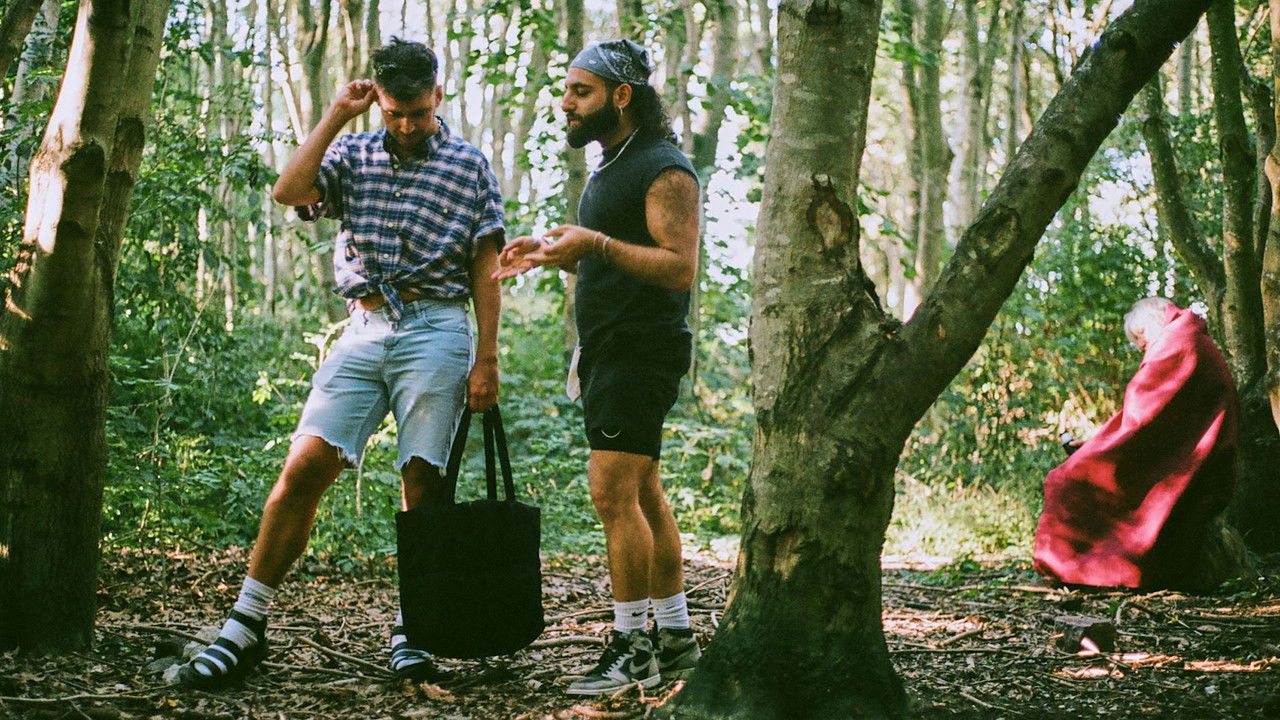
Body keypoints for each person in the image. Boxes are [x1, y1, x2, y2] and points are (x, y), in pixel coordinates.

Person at [177, 38, 505, 689]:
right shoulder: (352, 154)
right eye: (394, 113)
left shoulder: (470, 164)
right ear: (379, 102)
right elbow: (288, 191)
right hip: (364, 329)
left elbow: (485, 263)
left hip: (437, 326)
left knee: (423, 480)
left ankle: (415, 628)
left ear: (438, 96)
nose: (407, 125)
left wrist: (487, 356)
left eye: (418, 112)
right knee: (305, 466)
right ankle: (244, 626)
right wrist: (335, 115)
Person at [493, 39, 702, 695]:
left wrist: (597, 245)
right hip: (614, 351)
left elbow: (679, 266)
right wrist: (558, 249)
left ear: (622, 95)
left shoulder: (663, 169)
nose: (566, 103)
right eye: (567, 90)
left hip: (640, 352)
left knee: (613, 495)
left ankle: (631, 650)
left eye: (580, 92)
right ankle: (675, 640)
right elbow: (614, 252)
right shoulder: (614, 164)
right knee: (643, 493)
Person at [1033, 297, 1239, 590]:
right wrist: (1099, 443)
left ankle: (1075, 569)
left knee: (1066, 481)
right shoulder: (1185, 338)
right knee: (1077, 474)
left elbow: (1144, 419)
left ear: (1155, 320)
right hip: (1185, 455)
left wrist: (1101, 446)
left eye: (1140, 335)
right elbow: (1150, 418)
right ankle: (1081, 570)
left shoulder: (1178, 342)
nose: (1140, 345)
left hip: (1191, 461)